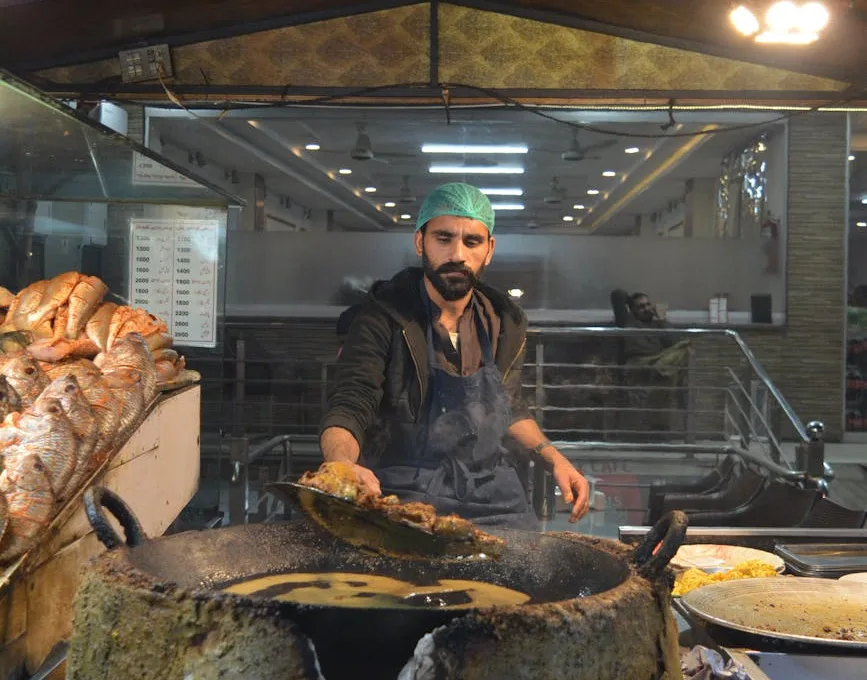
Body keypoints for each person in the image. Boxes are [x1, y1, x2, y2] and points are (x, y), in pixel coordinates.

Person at [320, 183, 590, 529]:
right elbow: (349, 404)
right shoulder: (382, 318)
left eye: (472, 241)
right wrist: (342, 464)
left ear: (489, 249)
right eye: (443, 238)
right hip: (403, 493)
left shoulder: (504, 321)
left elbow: (509, 407)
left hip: (493, 496)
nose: (458, 254)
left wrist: (553, 458)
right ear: (421, 242)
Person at [611, 289, 691, 434]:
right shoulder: (627, 321)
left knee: (685, 346)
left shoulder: (658, 325)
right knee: (668, 377)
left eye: (648, 305)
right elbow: (617, 294)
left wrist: (661, 320)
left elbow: (676, 342)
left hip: (660, 361)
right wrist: (629, 301)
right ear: (632, 310)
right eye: (641, 307)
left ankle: (659, 430)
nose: (646, 309)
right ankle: (660, 429)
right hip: (638, 363)